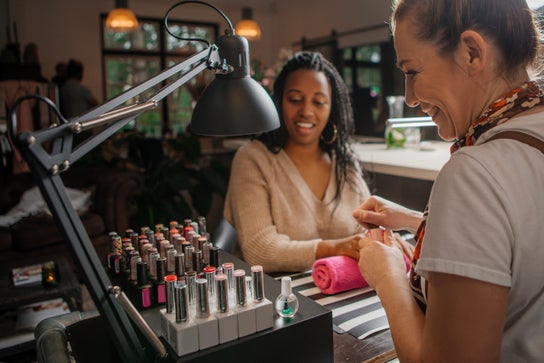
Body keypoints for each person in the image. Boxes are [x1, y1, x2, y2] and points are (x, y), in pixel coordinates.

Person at [352, 0, 544, 362]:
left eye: (411, 72)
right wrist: (419, 221)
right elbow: (525, 239)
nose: (409, 98)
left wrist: (388, 274)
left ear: (472, 52)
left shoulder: (474, 173)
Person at [223, 51, 372, 272]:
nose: (306, 111)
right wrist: (335, 248)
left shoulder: (344, 162)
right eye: (295, 99)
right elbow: (259, 250)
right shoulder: (252, 159)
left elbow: (367, 231)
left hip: (341, 294)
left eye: (319, 102)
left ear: (331, 109)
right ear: (279, 100)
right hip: (278, 298)